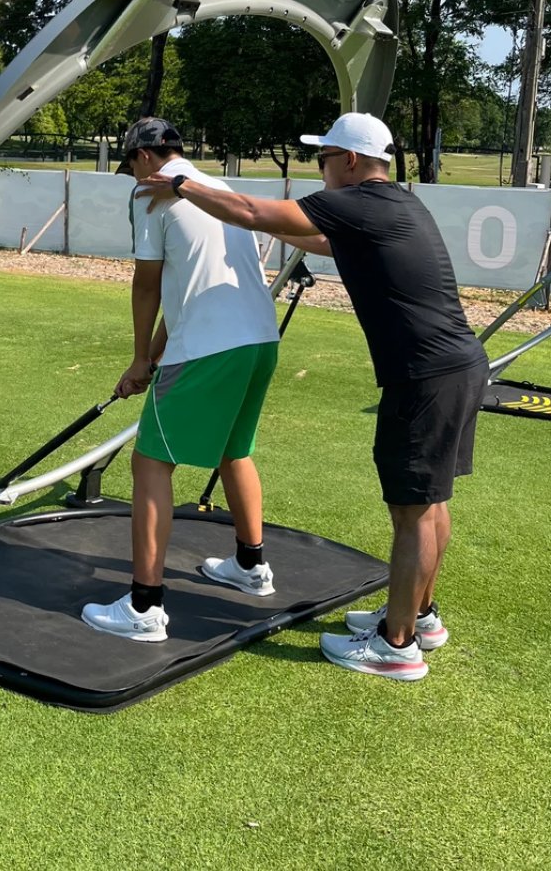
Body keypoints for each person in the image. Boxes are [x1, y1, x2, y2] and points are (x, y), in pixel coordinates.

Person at [137, 112, 489, 680]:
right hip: (456, 367)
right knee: (432, 502)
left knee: (412, 510)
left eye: (323, 158)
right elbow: (319, 242)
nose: (318, 167)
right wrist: (238, 220)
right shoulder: (397, 202)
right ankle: (420, 615)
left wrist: (180, 183)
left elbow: (255, 211)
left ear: (349, 160)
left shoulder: (356, 200)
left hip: (424, 376)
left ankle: (397, 645)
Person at [81, 118, 281, 643]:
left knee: (149, 461)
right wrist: (150, 358)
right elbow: (189, 288)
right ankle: (251, 566)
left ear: (145, 158)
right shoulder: (217, 188)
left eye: (129, 165)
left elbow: (147, 284)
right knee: (233, 450)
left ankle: (144, 606)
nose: (131, 176)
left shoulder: (153, 196)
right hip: (259, 341)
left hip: (210, 348)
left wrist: (136, 358)